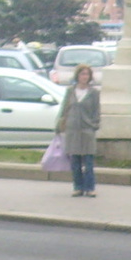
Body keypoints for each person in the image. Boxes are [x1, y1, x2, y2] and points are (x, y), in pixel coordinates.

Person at [56, 64, 100, 197]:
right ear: (77, 76)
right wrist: (59, 125)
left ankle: (90, 187)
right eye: (82, 74)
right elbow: (65, 108)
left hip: (87, 129)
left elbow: (96, 111)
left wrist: (94, 125)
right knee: (75, 161)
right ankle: (78, 187)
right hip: (72, 129)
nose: (84, 77)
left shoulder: (94, 93)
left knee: (88, 161)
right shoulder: (70, 91)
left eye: (87, 74)